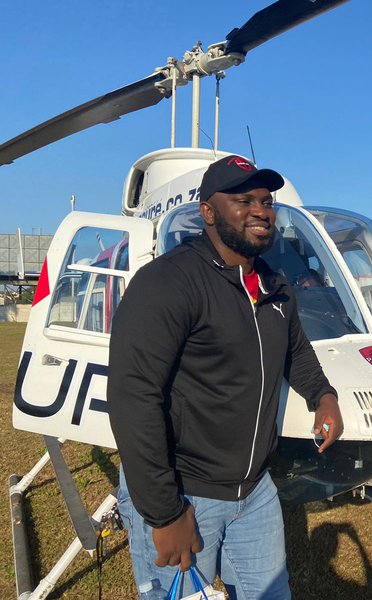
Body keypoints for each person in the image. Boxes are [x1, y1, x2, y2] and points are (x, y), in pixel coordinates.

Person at [107, 155, 344, 599]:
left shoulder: (275, 286)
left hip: (255, 491)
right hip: (185, 491)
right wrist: (164, 513)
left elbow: (296, 350)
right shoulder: (167, 282)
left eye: (266, 200)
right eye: (244, 200)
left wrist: (323, 395)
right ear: (209, 212)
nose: (261, 210)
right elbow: (133, 399)